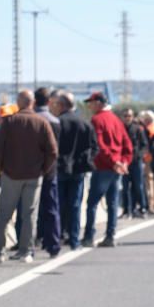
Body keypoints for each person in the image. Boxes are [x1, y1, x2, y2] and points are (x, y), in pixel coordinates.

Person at [0, 90, 58, 264]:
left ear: (18, 103)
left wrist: (1, 167)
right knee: (29, 215)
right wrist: (43, 169)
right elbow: (53, 151)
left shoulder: (10, 122)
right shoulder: (42, 123)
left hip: (11, 175)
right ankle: (26, 252)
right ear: (32, 103)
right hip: (34, 176)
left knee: (4, 214)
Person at [82, 92, 132, 248]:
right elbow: (127, 145)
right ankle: (110, 235)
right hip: (116, 168)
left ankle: (89, 236)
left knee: (92, 203)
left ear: (98, 103)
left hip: (104, 167)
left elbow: (100, 146)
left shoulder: (97, 120)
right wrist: (123, 162)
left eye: (91, 102)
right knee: (112, 203)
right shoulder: (117, 120)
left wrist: (114, 162)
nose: (89, 106)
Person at [54, 92, 96, 251]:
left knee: (59, 205)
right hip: (78, 170)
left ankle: (58, 237)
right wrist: (87, 160)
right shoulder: (84, 124)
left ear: (62, 105)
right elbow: (94, 147)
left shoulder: (58, 123)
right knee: (75, 205)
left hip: (61, 169)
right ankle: (74, 239)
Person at [33, 87, 62, 257]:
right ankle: (53, 244)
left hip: (30, 171)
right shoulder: (55, 121)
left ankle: (29, 245)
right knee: (51, 208)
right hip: (50, 171)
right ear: (49, 101)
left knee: (29, 209)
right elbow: (55, 149)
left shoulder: (31, 120)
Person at [120, 108, 148, 218]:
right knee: (125, 187)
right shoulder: (120, 129)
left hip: (136, 161)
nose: (127, 118)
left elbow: (144, 145)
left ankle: (142, 208)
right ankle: (127, 210)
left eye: (129, 116)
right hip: (124, 162)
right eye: (125, 115)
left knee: (138, 186)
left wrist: (139, 155)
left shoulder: (138, 129)